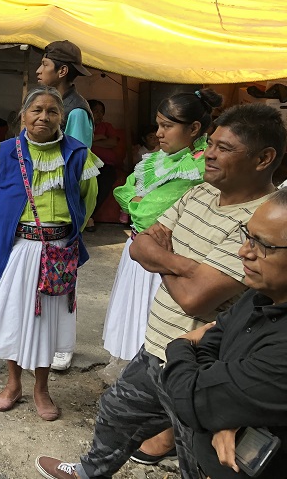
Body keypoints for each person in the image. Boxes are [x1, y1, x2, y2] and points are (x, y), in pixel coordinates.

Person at [35, 102, 285, 479]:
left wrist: (163, 255)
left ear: (264, 158)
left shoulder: (267, 223)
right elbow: (138, 246)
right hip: (157, 347)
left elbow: (194, 298)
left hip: (203, 365)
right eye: (210, 144)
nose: (209, 155)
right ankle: (87, 472)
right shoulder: (199, 193)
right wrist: (185, 265)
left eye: (224, 148)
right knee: (115, 415)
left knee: (197, 457)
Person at [100, 89, 222, 465]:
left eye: (168, 126)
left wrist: (166, 252)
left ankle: (168, 433)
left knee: (170, 342)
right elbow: (141, 206)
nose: (159, 134)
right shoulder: (158, 162)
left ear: (195, 128)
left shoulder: (203, 167)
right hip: (143, 255)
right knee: (142, 333)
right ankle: (152, 415)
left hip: (173, 264)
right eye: (158, 125)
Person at [0, 86, 101, 421]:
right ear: (23, 115)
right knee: (14, 316)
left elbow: (87, 201)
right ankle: (13, 384)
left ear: (62, 116)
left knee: (48, 322)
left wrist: (58, 235)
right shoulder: (4, 153)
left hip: (57, 253)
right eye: (36, 110)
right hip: (16, 248)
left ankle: (42, 389)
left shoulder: (77, 155)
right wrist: (17, 232)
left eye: (51, 111)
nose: (43, 117)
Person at [162, 191, 287, 479]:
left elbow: (189, 396)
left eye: (263, 245)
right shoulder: (260, 294)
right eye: (248, 236)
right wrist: (223, 409)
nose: (244, 251)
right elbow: (211, 342)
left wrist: (180, 345)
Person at [36, 40, 95, 370]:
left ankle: (63, 346)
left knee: (62, 278)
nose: (38, 70)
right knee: (45, 279)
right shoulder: (50, 104)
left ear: (61, 71)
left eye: (44, 64)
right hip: (41, 208)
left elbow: (79, 164)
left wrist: (74, 216)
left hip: (62, 208)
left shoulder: (75, 111)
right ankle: (44, 341)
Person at [86, 99, 119, 232]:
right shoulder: (85, 126)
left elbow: (113, 143)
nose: (99, 115)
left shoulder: (107, 126)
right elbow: (83, 142)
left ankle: (89, 216)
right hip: (88, 164)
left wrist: (93, 140)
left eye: (101, 112)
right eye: (95, 111)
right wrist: (99, 137)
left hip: (106, 165)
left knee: (105, 182)